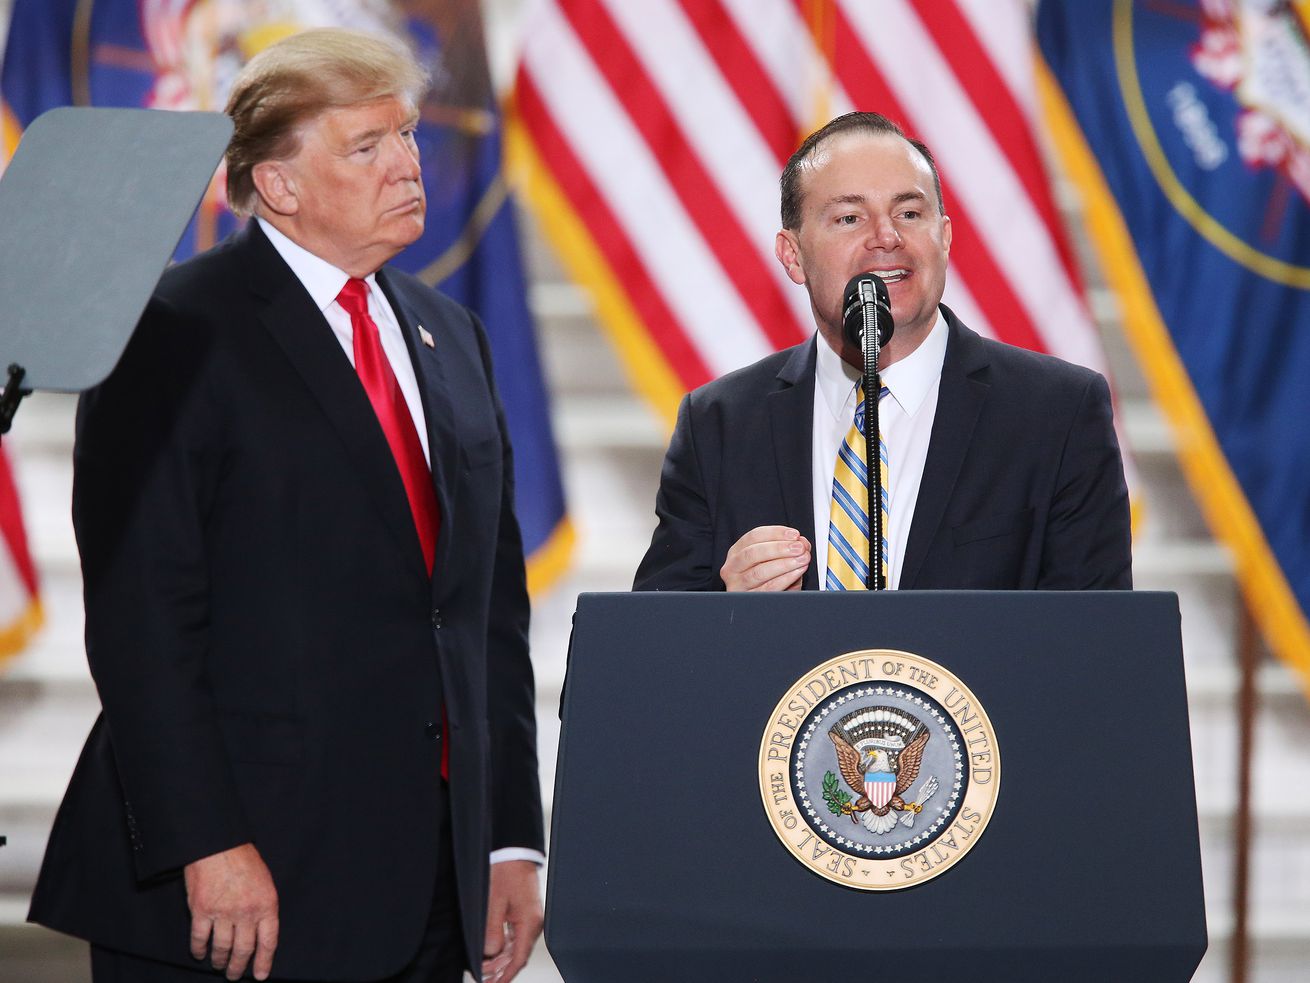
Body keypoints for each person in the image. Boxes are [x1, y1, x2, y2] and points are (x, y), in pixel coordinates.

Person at [29, 28, 544, 983]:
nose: (407, 165)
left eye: (407, 136)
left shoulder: (450, 332)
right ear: (279, 184)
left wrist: (510, 835)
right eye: (367, 146)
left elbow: (486, 616)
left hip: (428, 885)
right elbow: (144, 624)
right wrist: (206, 843)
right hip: (233, 893)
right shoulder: (173, 334)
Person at [634, 112, 1131, 592]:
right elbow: (649, 649)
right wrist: (727, 615)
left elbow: (1095, 648)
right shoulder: (719, 426)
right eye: (849, 217)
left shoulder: (1057, 414)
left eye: (909, 213)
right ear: (793, 255)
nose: (887, 237)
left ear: (945, 238)